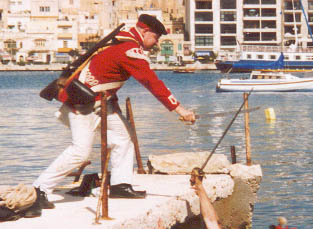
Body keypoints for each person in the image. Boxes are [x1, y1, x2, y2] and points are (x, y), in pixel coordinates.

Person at [29, 14, 196, 217]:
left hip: (103, 103)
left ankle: (119, 184)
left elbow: (107, 78)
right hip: (84, 104)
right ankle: (39, 189)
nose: (157, 42)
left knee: (124, 137)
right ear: (144, 32)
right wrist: (180, 109)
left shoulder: (123, 43)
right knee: (80, 152)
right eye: (156, 37)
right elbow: (152, 83)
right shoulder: (129, 50)